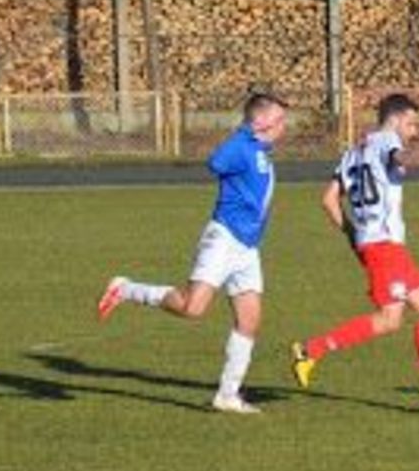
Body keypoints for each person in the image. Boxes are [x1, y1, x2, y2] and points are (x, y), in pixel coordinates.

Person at [97, 91, 290, 412]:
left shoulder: (260, 150)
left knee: (250, 319)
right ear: (260, 120)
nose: (284, 125)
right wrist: (245, 132)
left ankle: (227, 395)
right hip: (225, 238)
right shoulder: (243, 145)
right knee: (192, 308)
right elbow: (215, 162)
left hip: (247, 248)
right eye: (279, 118)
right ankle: (124, 289)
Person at [290, 93, 419, 410]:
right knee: (390, 319)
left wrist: (353, 235)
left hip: (378, 244)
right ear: (397, 118)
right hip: (383, 244)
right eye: (412, 124)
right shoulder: (387, 141)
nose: (414, 131)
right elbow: (402, 159)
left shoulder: (353, 152)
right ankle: (311, 350)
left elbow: (329, 199)